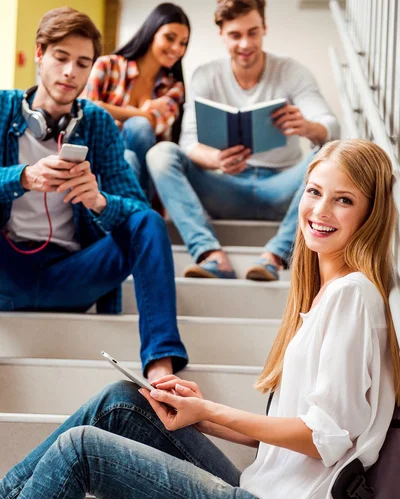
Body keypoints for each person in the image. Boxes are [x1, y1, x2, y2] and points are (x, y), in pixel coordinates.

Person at [1, 139, 398, 499]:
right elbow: (285, 435)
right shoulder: (327, 297)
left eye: (343, 199)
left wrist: (211, 409)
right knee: (123, 401)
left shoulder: (354, 296)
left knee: (82, 449)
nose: (320, 210)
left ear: (370, 214)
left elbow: (322, 439)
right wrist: (200, 414)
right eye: (313, 192)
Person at [0, 7, 188, 381]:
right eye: (61, 58)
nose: (71, 72)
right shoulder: (3, 108)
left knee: (148, 221)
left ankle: (161, 367)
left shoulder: (97, 122)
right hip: (8, 270)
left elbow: (135, 207)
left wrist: (98, 200)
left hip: (72, 275)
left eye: (83, 63)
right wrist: (22, 177)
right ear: (39, 54)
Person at [146, 0, 340, 280]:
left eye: (253, 32)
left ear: (264, 28)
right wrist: (216, 160)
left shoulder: (291, 71)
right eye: (235, 35)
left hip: (283, 187)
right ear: (222, 35)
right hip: (226, 188)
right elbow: (188, 142)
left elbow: (330, 125)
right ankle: (211, 255)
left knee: (331, 150)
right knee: (160, 153)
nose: (246, 43)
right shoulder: (206, 75)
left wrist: (309, 127)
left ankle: (275, 255)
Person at [82, 3, 190, 194]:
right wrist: (142, 111)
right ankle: (137, 210)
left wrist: (109, 110)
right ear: (152, 33)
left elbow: (156, 124)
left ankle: (137, 205)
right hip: (101, 162)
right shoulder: (108, 66)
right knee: (128, 156)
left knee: (138, 133)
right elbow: (88, 113)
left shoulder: (174, 87)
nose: (176, 48)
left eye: (183, 43)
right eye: (169, 38)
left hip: (146, 177)